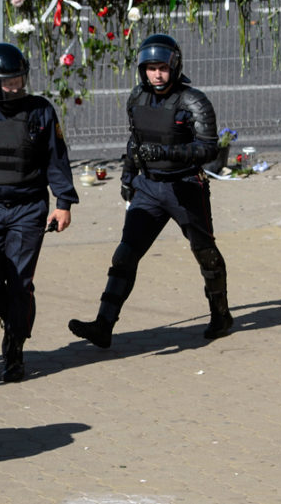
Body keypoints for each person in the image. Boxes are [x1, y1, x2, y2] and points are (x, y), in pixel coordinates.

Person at [68, 34, 233, 349]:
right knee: (124, 255)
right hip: (149, 187)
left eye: (163, 68)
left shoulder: (193, 100)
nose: (157, 75)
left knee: (206, 254)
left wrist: (168, 154)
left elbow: (209, 149)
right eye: (150, 68)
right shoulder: (137, 97)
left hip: (185, 187)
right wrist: (128, 174)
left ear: (175, 66)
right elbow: (135, 140)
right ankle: (104, 325)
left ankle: (221, 315)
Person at [0, 42, 78, 382]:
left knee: (19, 282)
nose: (16, 87)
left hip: (28, 209)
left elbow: (56, 159)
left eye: (20, 79)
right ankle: (14, 317)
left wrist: (63, 203)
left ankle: (15, 348)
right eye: (8, 82)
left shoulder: (40, 111)